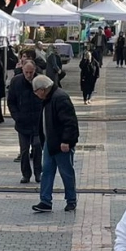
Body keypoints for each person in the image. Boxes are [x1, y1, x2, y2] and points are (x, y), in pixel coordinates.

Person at [31, 75, 79, 214]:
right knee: (47, 171)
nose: (36, 95)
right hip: (50, 142)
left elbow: (70, 122)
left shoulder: (59, 98)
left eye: (36, 91)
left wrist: (66, 141)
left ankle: (71, 200)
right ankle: (45, 201)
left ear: (43, 89)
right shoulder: (48, 98)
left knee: (66, 172)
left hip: (60, 143)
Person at [8, 55, 43, 184]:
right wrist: (17, 116)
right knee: (24, 151)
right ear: (22, 70)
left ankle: (38, 172)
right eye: (26, 72)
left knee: (37, 147)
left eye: (31, 72)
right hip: (22, 122)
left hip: (37, 122)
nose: (29, 75)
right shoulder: (16, 81)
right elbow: (11, 101)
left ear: (34, 70)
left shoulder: (41, 81)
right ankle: (26, 174)